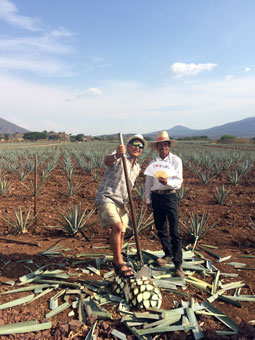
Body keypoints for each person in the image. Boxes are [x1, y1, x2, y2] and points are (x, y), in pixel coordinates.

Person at [95, 134, 146, 278]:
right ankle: (118, 261)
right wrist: (118, 154)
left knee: (122, 231)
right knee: (117, 226)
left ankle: (117, 258)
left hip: (122, 202)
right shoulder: (119, 156)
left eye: (141, 146)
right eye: (135, 144)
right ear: (128, 145)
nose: (137, 147)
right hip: (108, 197)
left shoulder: (137, 167)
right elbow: (107, 160)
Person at [145, 131, 184, 279]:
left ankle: (178, 264)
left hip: (170, 196)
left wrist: (167, 182)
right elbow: (148, 182)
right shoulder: (152, 162)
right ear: (157, 147)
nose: (163, 148)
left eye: (165, 145)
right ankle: (168, 254)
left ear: (169, 146)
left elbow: (179, 181)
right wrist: (148, 200)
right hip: (156, 197)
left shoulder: (176, 160)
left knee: (174, 230)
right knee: (161, 228)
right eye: (160, 145)